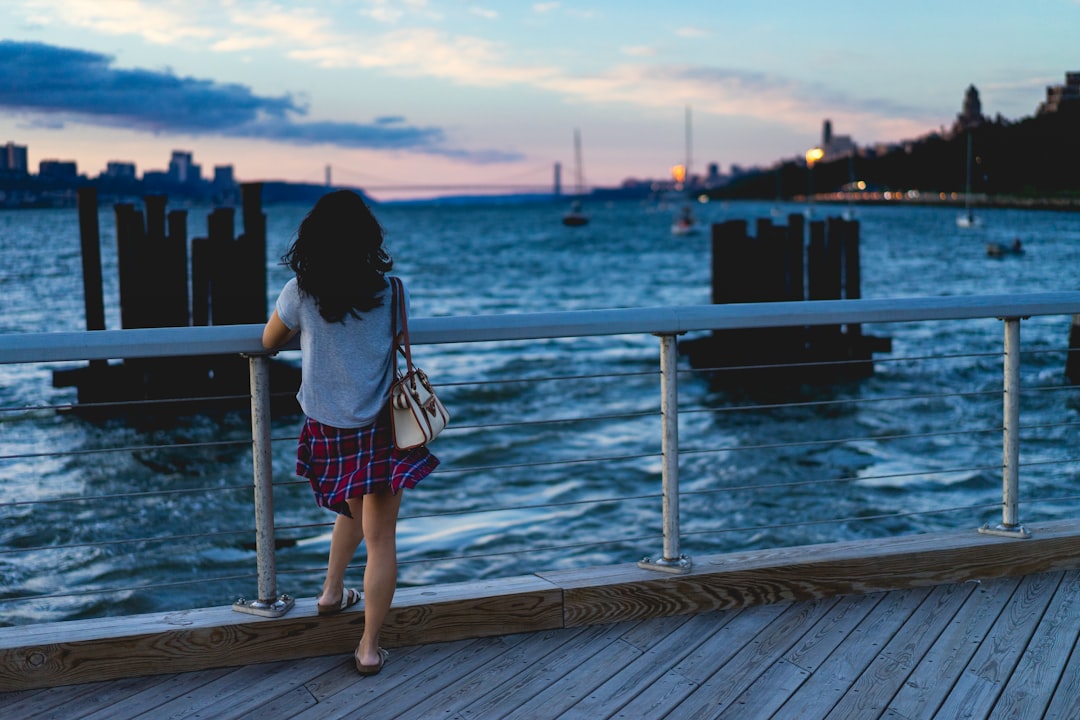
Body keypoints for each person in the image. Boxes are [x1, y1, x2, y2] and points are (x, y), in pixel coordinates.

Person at [262, 189, 439, 676]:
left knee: (352, 510)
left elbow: (269, 341)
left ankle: (330, 594)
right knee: (380, 538)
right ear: (368, 239)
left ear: (312, 238)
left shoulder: (300, 292)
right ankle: (366, 647)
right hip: (380, 429)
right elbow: (397, 343)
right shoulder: (392, 291)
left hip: (329, 427)